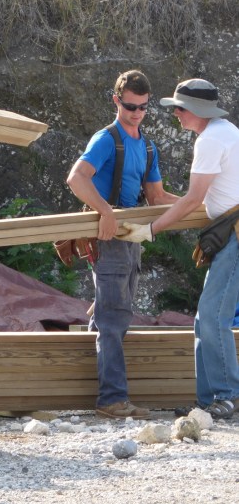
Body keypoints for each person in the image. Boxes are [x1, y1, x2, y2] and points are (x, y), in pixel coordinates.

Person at [119, 78, 239, 420]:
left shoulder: (212, 139)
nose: (176, 115)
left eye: (180, 109)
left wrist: (151, 230)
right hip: (229, 229)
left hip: (234, 233)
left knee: (214, 316)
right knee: (206, 317)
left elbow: (193, 200)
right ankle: (207, 402)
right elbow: (207, 199)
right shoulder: (223, 131)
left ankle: (227, 396)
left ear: (197, 111)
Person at [66, 70, 179, 420]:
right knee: (113, 318)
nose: (137, 113)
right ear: (116, 100)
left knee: (112, 313)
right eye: (130, 106)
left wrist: (200, 206)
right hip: (110, 237)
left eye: (143, 107)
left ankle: (81, 387)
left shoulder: (147, 145)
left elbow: (156, 196)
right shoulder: (105, 139)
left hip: (132, 237)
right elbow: (76, 178)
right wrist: (105, 211)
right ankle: (112, 399)